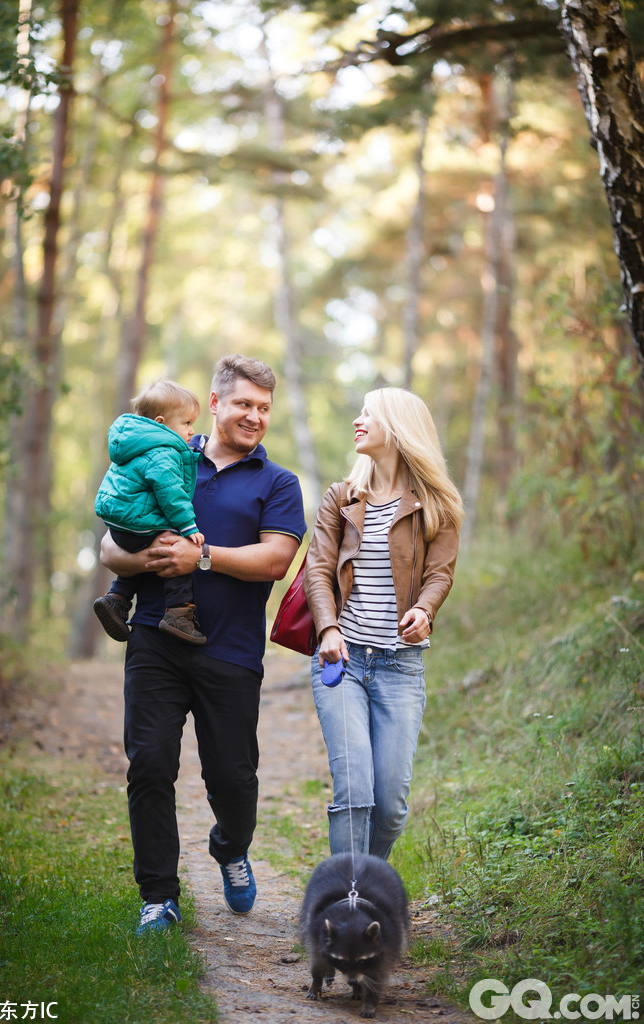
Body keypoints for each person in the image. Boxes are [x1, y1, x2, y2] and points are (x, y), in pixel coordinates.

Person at [99, 355, 306, 933]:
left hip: (233, 652)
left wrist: (204, 556)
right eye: (244, 404)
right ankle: (158, 897)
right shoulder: (167, 454)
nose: (254, 416)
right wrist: (151, 559)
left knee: (234, 780)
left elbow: (276, 559)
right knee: (150, 765)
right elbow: (109, 550)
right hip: (155, 641)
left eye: (264, 408)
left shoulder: (277, 482)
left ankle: (231, 849)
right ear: (215, 404)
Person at [303, 387, 464, 861]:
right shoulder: (342, 498)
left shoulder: (436, 503)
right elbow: (317, 568)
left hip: (401, 668)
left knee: (390, 807)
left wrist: (425, 610)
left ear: (396, 428)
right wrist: (328, 627)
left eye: (368, 414)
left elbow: (440, 573)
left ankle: (365, 884)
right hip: (343, 660)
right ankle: (345, 908)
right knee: (355, 793)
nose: (358, 420)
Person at [94, 379, 206, 645]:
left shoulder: (133, 443)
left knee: (143, 543)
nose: (192, 431)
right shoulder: (163, 451)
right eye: (186, 423)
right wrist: (189, 526)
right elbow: (171, 493)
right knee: (174, 545)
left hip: (121, 524)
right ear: (161, 421)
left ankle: (117, 599)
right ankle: (178, 613)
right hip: (138, 522)